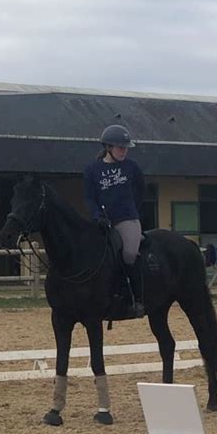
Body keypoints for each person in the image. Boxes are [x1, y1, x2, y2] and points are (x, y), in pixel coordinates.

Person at [84, 124, 145, 318]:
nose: (124, 151)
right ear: (108, 147)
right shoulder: (92, 169)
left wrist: (131, 211)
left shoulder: (131, 167)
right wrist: (97, 216)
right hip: (103, 221)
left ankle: (136, 299)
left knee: (129, 254)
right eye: (120, 147)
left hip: (127, 219)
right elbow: (90, 197)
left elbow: (139, 192)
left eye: (126, 147)